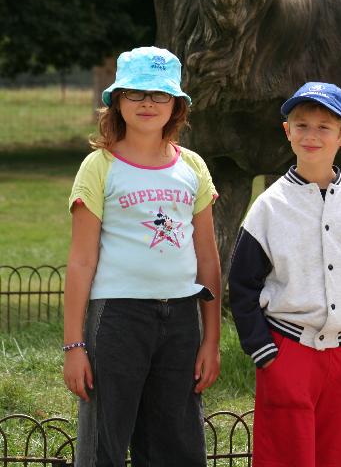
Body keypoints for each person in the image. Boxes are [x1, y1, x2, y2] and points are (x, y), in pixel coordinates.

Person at [63, 46, 222, 467]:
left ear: (177, 105)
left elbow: (208, 260)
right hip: (117, 319)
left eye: (159, 94)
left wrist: (211, 341)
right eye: (135, 92)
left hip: (182, 319)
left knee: (177, 443)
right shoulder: (99, 166)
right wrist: (74, 345)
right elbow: (81, 261)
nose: (148, 103)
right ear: (117, 100)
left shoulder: (193, 167)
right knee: (106, 443)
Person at [228, 81, 341, 467]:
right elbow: (242, 285)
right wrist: (264, 352)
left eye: (324, 127)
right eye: (301, 125)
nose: (311, 135)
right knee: (288, 457)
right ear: (287, 131)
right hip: (289, 351)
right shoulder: (269, 206)